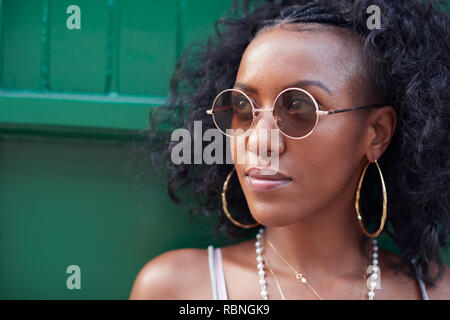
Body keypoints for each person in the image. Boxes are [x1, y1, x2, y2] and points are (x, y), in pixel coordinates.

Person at [129, 0, 449, 299]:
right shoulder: (178, 289)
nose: (259, 141)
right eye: (242, 106)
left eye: (298, 107)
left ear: (376, 134)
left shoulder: (435, 292)